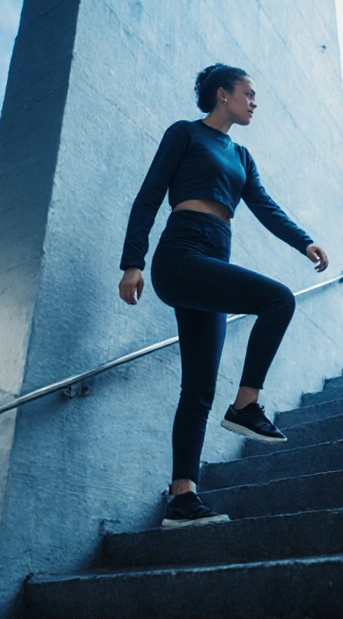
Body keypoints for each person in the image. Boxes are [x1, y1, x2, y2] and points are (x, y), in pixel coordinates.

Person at [117, 63, 329, 529]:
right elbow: (149, 195)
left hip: (215, 254)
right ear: (222, 94)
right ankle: (246, 406)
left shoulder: (242, 156)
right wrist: (133, 261)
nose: (254, 102)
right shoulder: (185, 134)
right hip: (182, 252)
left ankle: (182, 499)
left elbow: (264, 206)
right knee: (278, 300)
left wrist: (303, 240)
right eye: (248, 93)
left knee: (198, 390)